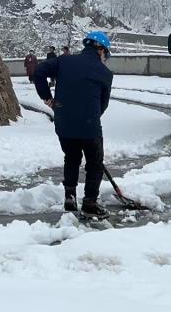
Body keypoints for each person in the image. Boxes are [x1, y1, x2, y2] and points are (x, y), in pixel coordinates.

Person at [32, 31, 114, 218]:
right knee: (94, 164)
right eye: (106, 54)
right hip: (89, 126)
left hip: (64, 123)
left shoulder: (64, 61)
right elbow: (103, 104)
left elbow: (38, 71)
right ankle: (90, 203)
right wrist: (91, 117)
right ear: (101, 49)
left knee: (71, 158)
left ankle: (70, 197)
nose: (105, 58)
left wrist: (47, 98)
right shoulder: (105, 73)